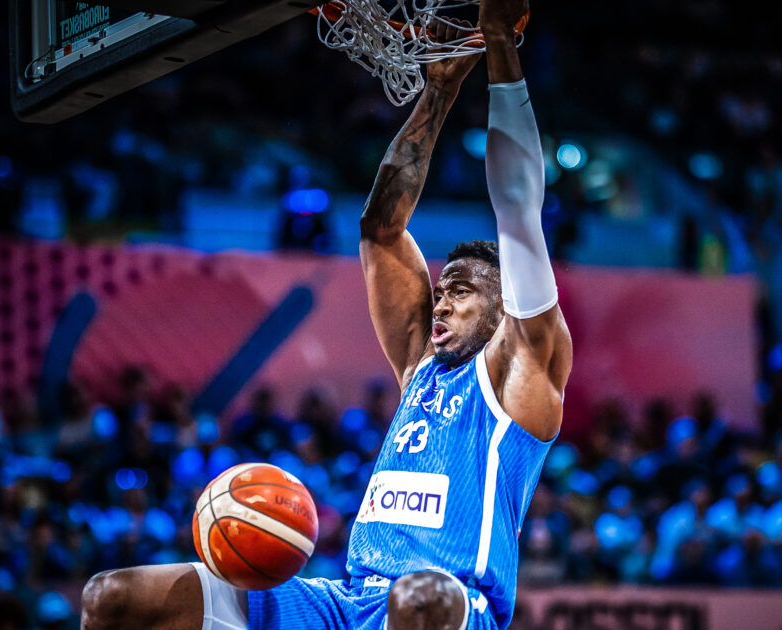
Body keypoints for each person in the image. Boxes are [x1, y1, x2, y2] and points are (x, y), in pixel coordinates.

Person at [78, 1, 571, 628]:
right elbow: (381, 230)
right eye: (440, 288)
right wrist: (439, 90)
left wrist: (499, 42)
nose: (441, 299)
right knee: (113, 597)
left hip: (455, 606)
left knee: (420, 599)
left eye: (462, 290)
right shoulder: (421, 367)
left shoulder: (523, 369)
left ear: (504, 309)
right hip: (350, 600)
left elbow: (519, 213)